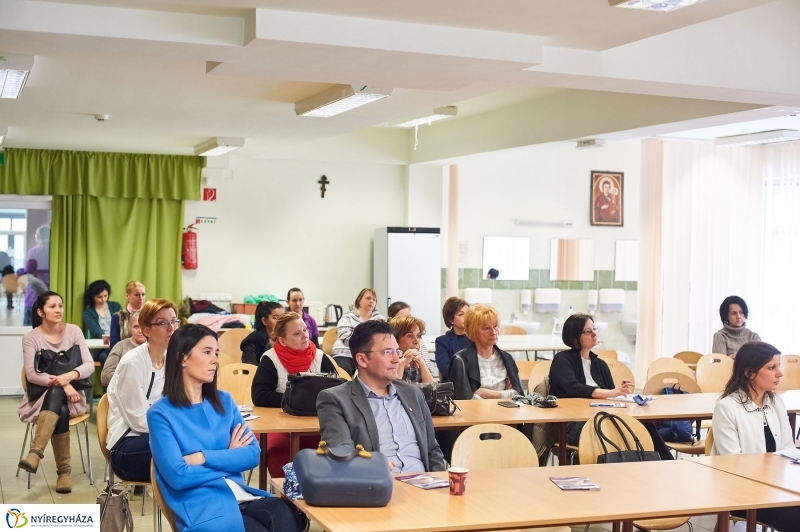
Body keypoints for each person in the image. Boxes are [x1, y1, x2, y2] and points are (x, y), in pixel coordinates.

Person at [148, 324, 306, 532]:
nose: (215, 360)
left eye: (216, 353)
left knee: (288, 514)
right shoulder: (160, 414)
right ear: (182, 358)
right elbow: (178, 476)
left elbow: (252, 455)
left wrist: (202, 458)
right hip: (204, 506)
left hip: (241, 496)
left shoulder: (224, 401)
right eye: (206, 352)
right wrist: (230, 457)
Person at [317, 320, 447, 473]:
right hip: (377, 485)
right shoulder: (335, 399)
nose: (396, 359)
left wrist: (441, 481)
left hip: (424, 485)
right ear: (362, 359)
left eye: (397, 351)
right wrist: (372, 465)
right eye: (387, 352)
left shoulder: (413, 393)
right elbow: (341, 451)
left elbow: (432, 449)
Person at [548, 313, 673, 460]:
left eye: (594, 329)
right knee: (618, 429)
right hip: (572, 424)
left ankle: (666, 465)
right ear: (575, 337)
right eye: (588, 331)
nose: (594, 334)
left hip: (603, 417)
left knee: (644, 424)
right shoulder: (562, 360)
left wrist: (620, 393)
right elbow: (574, 388)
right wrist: (611, 392)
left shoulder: (600, 365)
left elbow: (612, 397)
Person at [711, 341, 800, 529]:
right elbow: (732, 463)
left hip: (776, 489)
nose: (780, 373)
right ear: (749, 373)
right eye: (771, 367)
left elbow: (788, 450)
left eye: (779, 366)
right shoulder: (727, 407)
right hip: (742, 493)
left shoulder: (776, 403)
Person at [18, 291, 94, 494]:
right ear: (40, 311)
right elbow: (32, 375)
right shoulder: (30, 338)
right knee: (56, 398)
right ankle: (64, 473)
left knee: (58, 398)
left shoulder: (74, 331)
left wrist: (68, 378)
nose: (58, 310)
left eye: (60, 305)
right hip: (40, 399)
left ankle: (35, 453)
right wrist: (63, 385)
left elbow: (89, 366)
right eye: (52, 306)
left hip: (73, 398)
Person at [251, 312, 336, 478]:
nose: (305, 335)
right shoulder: (270, 359)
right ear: (282, 340)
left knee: (332, 455)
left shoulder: (320, 357)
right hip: (281, 427)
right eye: (297, 333)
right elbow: (259, 395)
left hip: (315, 427)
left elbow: (336, 391)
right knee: (280, 456)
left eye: (305, 330)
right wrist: (295, 401)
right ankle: (289, 501)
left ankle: (319, 496)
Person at [106, 299, 177, 482]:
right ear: (146, 330)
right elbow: (138, 420)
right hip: (126, 446)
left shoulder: (171, 359)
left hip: (159, 437)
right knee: (187, 446)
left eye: (174, 321)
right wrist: (177, 428)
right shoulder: (132, 363)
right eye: (163, 323)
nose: (171, 328)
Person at [447, 304, 522, 401]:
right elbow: (465, 400)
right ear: (473, 331)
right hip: (474, 414)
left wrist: (485, 393)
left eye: (495, 326)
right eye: (486, 328)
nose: (493, 332)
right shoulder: (460, 360)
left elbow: (518, 395)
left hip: (505, 413)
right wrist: (505, 394)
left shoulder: (507, 358)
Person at [332, 288, 386, 377]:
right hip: (345, 353)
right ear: (359, 300)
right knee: (343, 372)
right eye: (368, 298)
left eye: (374, 299)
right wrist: (368, 342)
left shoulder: (379, 319)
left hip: (369, 355)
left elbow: (382, 339)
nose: (371, 301)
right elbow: (345, 337)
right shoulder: (348, 316)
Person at [83, 280, 122, 365]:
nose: (103, 299)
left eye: (105, 296)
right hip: (99, 346)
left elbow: (121, 325)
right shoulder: (88, 312)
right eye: (99, 297)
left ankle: (109, 378)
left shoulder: (115, 306)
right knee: (105, 355)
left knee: (104, 356)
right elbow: (96, 332)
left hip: (115, 343)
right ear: (93, 296)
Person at [101, 311, 146, 386]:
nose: (140, 331)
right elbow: (105, 377)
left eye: (143, 326)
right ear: (130, 328)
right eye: (136, 326)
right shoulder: (120, 346)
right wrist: (131, 378)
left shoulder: (157, 348)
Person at [388, 316, 434, 383]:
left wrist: (422, 364)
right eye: (409, 336)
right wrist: (401, 365)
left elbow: (434, 390)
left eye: (418, 336)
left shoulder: (417, 360)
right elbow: (394, 392)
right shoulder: (388, 363)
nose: (416, 341)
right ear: (395, 339)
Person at [434, 297, 471, 380]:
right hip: (455, 387)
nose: (466, 317)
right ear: (451, 320)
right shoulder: (442, 342)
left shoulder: (477, 338)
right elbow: (447, 371)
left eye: (468, 314)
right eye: (461, 314)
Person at [240, 301, 284, 366]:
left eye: (283, 317)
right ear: (264, 321)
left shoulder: (288, 339)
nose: (281, 321)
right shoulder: (252, 343)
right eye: (276, 317)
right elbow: (250, 371)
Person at [109, 281, 146, 348]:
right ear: (127, 296)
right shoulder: (118, 316)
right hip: (124, 354)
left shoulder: (150, 315)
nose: (141, 298)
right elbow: (114, 345)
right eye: (137, 295)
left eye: (143, 294)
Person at [22, 259, 48, 326]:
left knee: (26, 326)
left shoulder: (25, 277)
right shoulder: (35, 281)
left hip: (27, 305)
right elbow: (46, 292)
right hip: (33, 306)